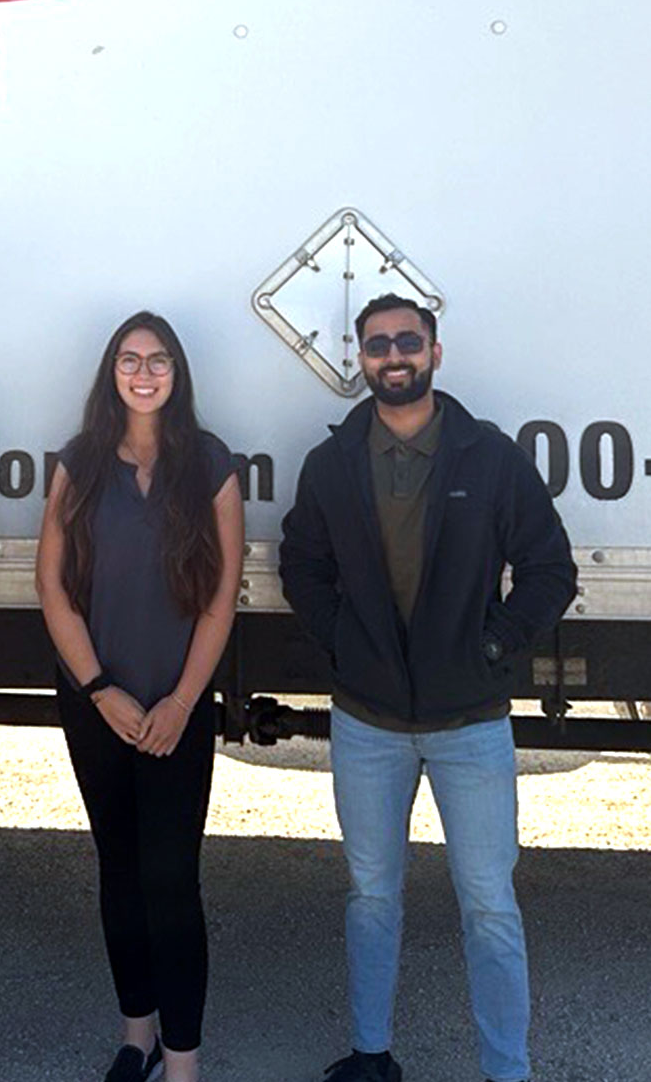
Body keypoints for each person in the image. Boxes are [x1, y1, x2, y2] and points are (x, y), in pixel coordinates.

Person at [279, 293, 576, 1082]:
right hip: (367, 722)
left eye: (409, 340)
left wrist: (495, 642)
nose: (394, 355)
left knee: (488, 906)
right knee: (371, 897)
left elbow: (551, 568)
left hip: (470, 722)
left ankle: (506, 1071)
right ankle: (372, 1055)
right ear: (362, 359)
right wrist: (344, 641)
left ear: (436, 353)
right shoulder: (334, 463)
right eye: (378, 345)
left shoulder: (488, 456)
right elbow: (301, 565)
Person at [36, 311, 244, 1082]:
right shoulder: (80, 461)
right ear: (111, 371)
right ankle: (137, 1038)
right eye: (130, 358)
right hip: (100, 706)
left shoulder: (211, 463)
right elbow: (50, 587)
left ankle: (183, 1062)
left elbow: (222, 596)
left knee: (171, 878)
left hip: (174, 709)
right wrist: (99, 691)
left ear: (177, 373)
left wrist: (184, 702)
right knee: (118, 871)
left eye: (158, 360)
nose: (144, 372)